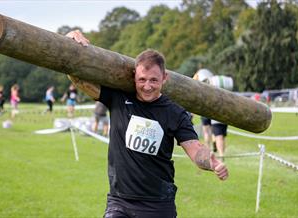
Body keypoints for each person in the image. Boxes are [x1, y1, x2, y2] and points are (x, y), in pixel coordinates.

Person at [66, 30, 228, 217]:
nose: (147, 86)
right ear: (134, 75)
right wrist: (70, 39)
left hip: (158, 204)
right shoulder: (118, 97)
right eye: (142, 79)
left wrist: (211, 162)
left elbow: (195, 148)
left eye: (154, 80)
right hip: (120, 201)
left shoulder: (175, 112)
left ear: (164, 78)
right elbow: (79, 79)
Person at [193, 69, 215, 150]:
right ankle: (214, 141)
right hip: (212, 110)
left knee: (206, 131)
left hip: (204, 110)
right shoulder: (212, 86)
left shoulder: (200, 89)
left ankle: (208, 147)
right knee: (212, 129)